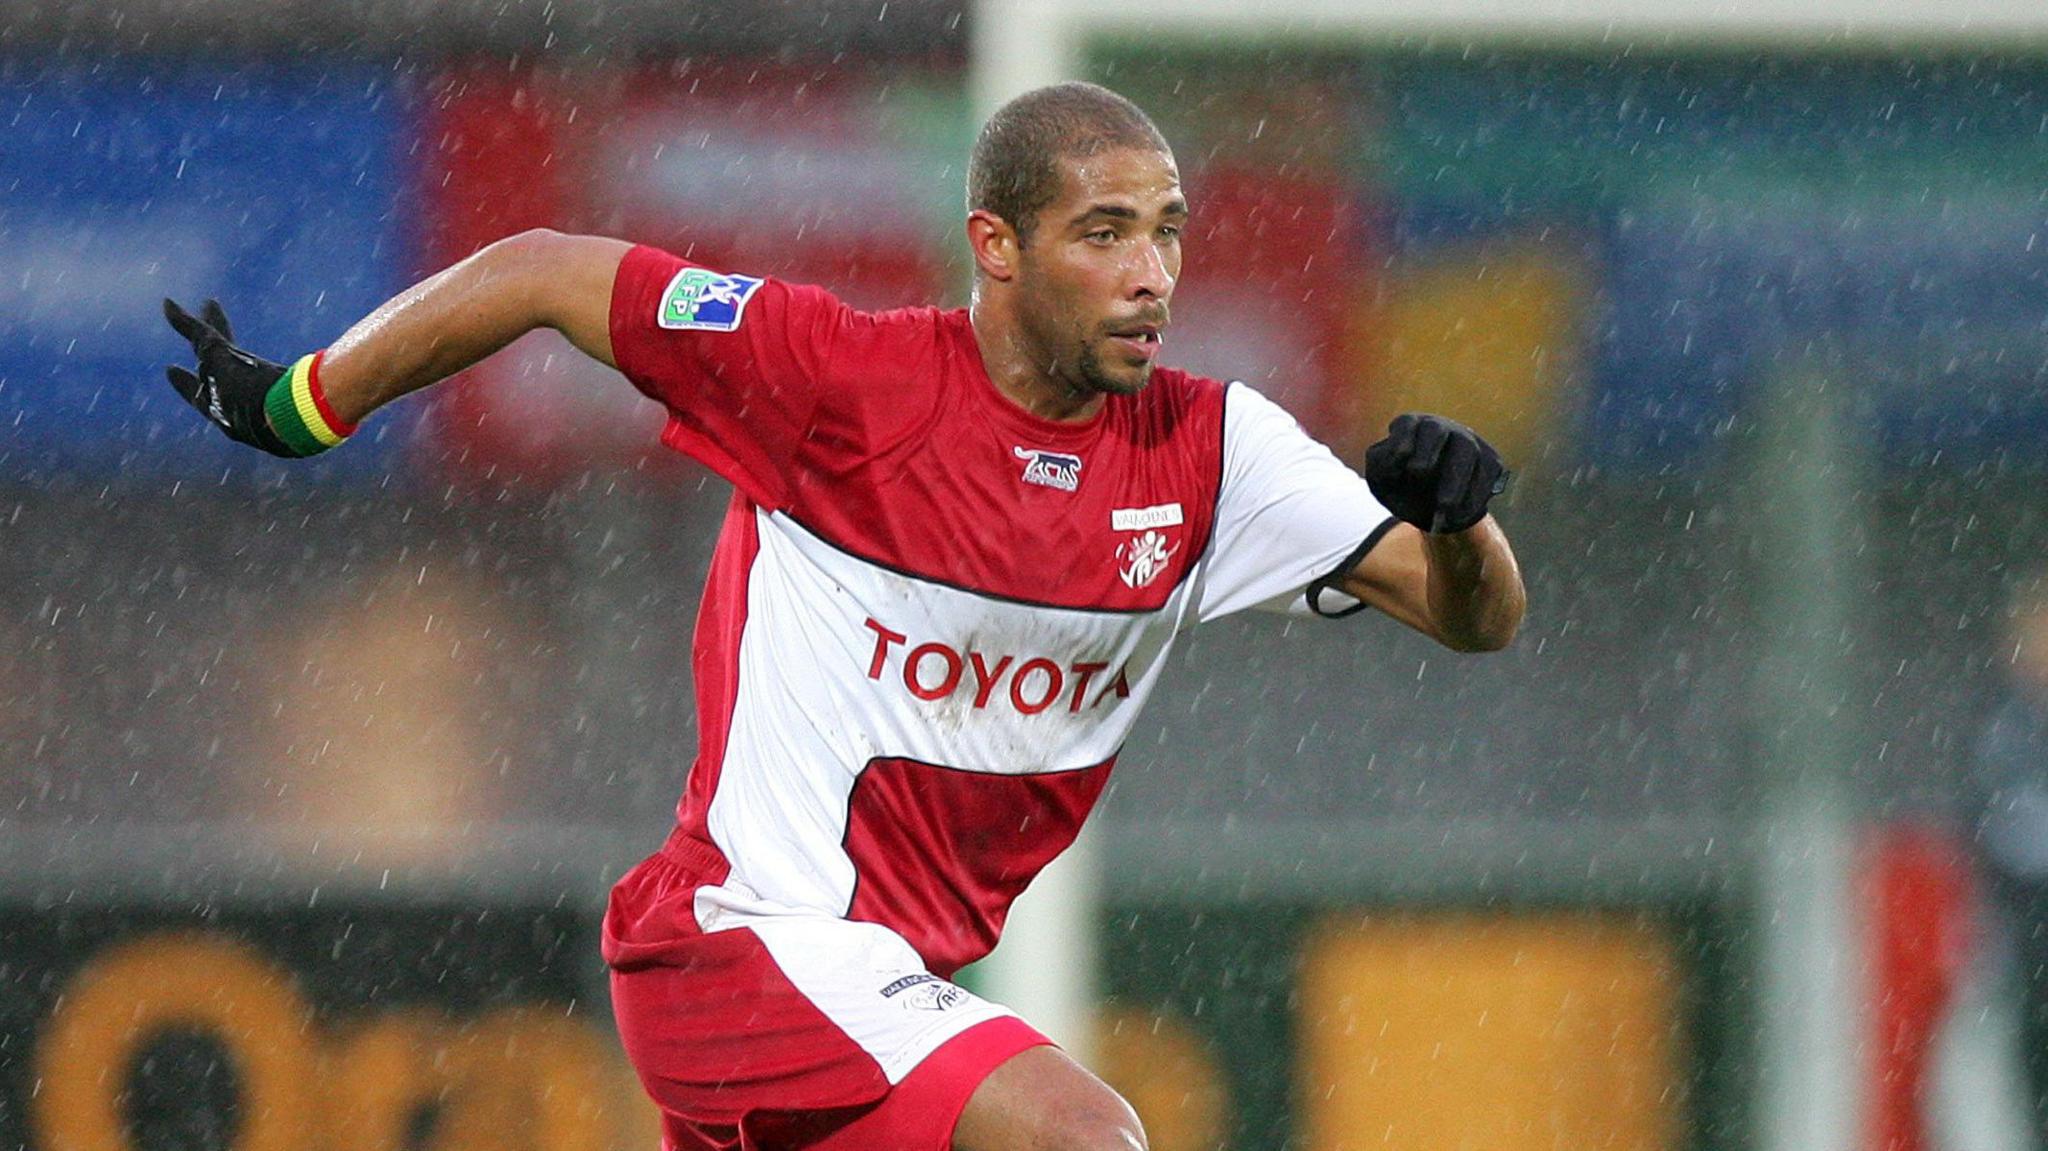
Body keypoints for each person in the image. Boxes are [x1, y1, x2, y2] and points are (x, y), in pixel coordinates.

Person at [163, 81, 1525, 1151]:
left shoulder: (1215, 453)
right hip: (740, 944)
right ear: (995, 246)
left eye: (1167, 230)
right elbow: (541, 269)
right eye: (1104, 234)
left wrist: (1461, 524)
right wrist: (300, 406)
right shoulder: (836, 380)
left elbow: (1476, 620)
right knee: (1081, 1136)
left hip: (872, 1001)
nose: (1151, 274)